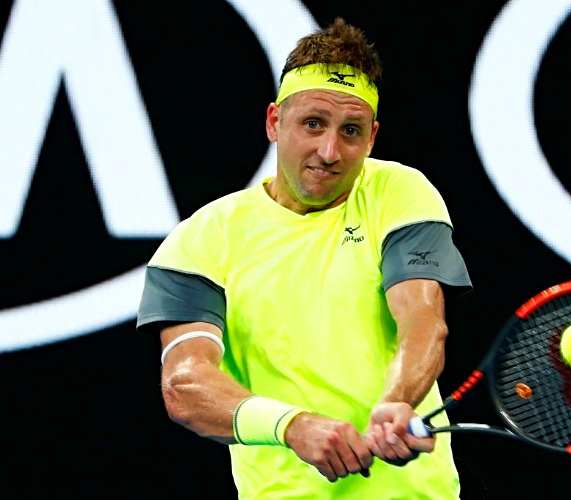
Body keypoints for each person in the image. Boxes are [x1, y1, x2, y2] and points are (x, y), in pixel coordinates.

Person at [136, 17, 472, 499]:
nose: (330, 151)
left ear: (372, 138)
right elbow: (186, 386)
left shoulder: (399, 193)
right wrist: (291, 426)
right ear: (275, 121)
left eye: (351, 131)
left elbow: (421, 318)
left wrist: (398, 401)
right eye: (312, 124)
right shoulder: (199, 241)